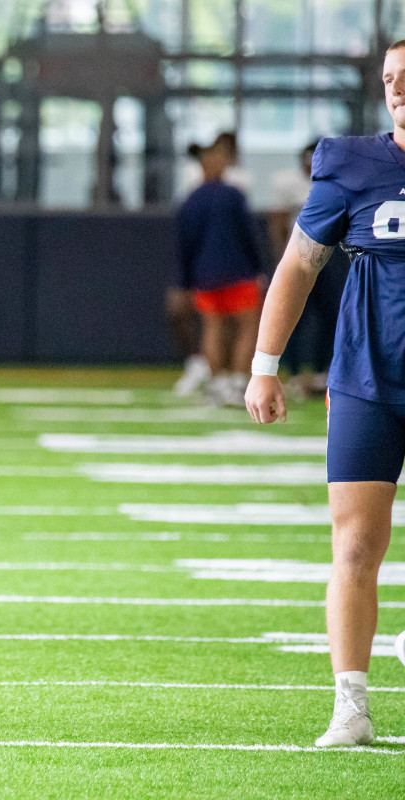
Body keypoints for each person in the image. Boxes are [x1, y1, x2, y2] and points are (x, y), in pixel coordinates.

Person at [246, 39, 405, 747]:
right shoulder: (352, 163)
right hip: (368, 377)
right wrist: (263, 363)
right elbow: (297, 267)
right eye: (389, 79)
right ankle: (351, 704)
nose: (396, 88)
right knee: (356, 544)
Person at [175, 134, 264, 407]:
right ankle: (237, 382)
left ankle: (217, 383)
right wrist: (259, 268)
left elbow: (184, 245)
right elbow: (249, 236)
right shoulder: (233, 195)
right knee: (248, 327)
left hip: (206, 275)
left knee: (212, 328)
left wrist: (186, 281)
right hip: (239, 272)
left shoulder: (190, 200)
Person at [270, 140, 348, 399]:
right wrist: (284, 257)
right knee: (293, 316)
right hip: (299, 257)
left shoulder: (333, 184)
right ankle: (292, 373)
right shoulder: (289, 183)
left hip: (327, 257)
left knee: (330, 315)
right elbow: (279, 222)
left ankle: (318, 372)